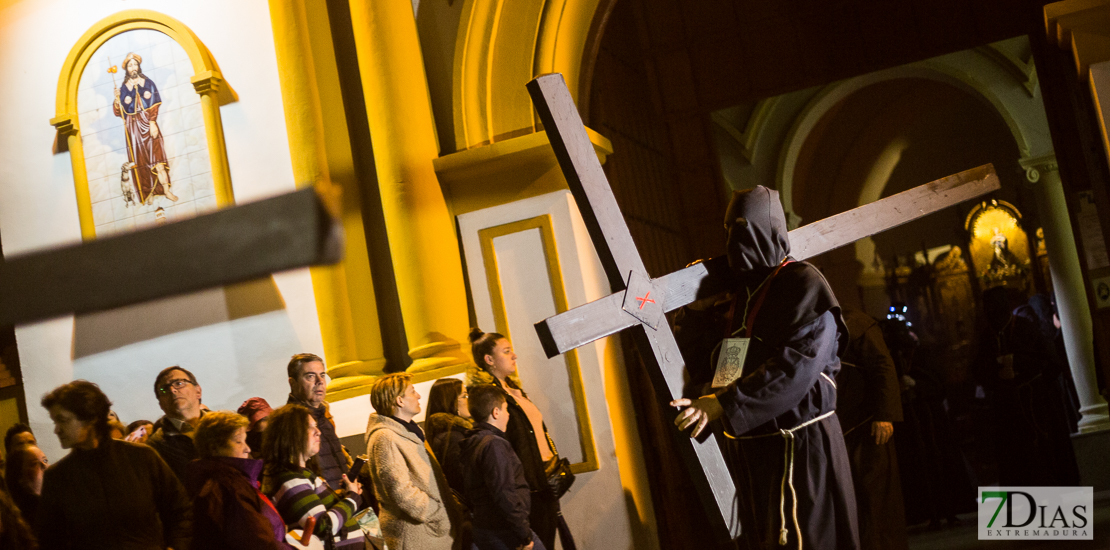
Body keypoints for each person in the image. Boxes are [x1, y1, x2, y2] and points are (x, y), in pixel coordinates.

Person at [670, 186, 859, 550]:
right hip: (755, 455)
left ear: (767, 227)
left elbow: (796, 368)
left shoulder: (804, 283)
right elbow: (727, 365)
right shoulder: (742, 296)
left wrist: (724, 404)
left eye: (741, 227)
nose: (734, 240)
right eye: (727, 230)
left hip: (801, 449)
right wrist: (694, 315)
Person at [35, 380, 192, 549]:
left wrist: (175, 548)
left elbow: (181, 511)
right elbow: (50, 541)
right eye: (55, 422)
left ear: (91, 418)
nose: (56, 430)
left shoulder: (142, 458)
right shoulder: (58, 477)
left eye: (63, 420)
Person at [468, 329, 568, 550]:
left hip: (544, 480)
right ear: (489, 360)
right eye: (506, 351)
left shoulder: (513, 388)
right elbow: (500, 448)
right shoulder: (490, 396)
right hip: (528, 488)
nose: (514, 355)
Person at [837, 308, 907, 550]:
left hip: (868, 426)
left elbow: (882, 366)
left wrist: (884, 415)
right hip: (841, 432)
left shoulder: (855, 324)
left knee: (877, 503)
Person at [365, 372, 456, 550]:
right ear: (400, 401)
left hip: (427, 534)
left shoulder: (408, 431)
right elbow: (399, 490)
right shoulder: (386, 437)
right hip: (415, 535)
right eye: (413, 392)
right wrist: (435, 512)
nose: (419, 396)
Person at [185, 410, 294, 549]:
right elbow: (257, 542)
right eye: (238, 441)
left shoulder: (223, 480)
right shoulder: (229, 485)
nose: (247, 449)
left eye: (245, 441)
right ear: (214, 447)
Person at [262, 404, 365, 549]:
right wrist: (353, 497)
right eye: (310, 427)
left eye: (316, 426)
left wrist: (343, 495)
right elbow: (322, 526)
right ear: (290, 434)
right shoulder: (291, 479)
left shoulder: (300, 474)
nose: (318, 432)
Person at [460, 384, 544, 550]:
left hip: (488, 527)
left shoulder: (473, 441)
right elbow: (504, 492)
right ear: (495, 412)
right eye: (506, 409)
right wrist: (524, 534)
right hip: (504, 531)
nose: (508, 415)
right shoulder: (494, 445)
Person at [112, 52, 178, 205]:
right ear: (127, 69)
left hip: (148, 124)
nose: (133, 67)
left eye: (135, 64)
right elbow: (119, 112)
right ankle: (149, 194)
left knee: (158, 160)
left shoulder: (148, 83)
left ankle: (166, 190)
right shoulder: (123, 88)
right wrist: (117, 101)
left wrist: (153, 122)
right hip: (133, 129)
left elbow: (154, 103)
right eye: (130, 65)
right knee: (141, 163)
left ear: (139, 66)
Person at [286, 353, 352, 490]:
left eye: (322, 375)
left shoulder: (324, 415)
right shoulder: (290, 423)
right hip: (324, 503)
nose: (320, 381)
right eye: (310, 376)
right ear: (292, 383)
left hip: (347, 498)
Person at [147, 365, 207, 480]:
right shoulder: (156, 447)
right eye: (163, 389)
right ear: (160, 404)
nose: (172, 390)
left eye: (179, 383)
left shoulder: (226, 425)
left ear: (198, 391)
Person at [424, 378, 474, 494]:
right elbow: (463, 480)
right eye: (464, 396)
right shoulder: (452, 437)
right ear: (450, 401)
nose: (469, 400)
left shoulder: (451, 432)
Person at [4, 445, 46, 527]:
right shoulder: (20, 519)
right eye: (34, 464)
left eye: (45, 460)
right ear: (20, 477)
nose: (45, 465)